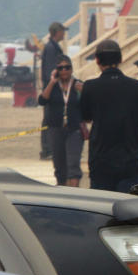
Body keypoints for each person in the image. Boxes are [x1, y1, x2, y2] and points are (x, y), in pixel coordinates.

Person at [79, 40, 138, 193]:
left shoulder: (90, 87)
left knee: (102, 209)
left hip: (100, 160)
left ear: (97, 60)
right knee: (129, 209)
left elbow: (86, 118)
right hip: (129, 161)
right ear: (120, 59)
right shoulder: (136, 87)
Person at [38, 55, 83, 186]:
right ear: (57, 70)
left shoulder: (78, 84)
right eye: (61, 68)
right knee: (59, 166)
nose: (64, 71)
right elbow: (42, 100)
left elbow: (88, 104)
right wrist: (52, 81)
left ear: (71, 69)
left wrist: (83, 91)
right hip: (55, 129)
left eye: (67, 67)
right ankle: (62, 193)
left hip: (74, 129)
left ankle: (75, 193)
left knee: (73, 165)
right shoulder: (53, 86)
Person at [40, 21, 66, 161]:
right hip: (51, 88)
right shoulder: (51, 48)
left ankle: (49, 148)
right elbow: (52, 70)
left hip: (52, 88)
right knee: (48, 118)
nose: (64, 33)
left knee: (50, 117)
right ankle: (47, 149)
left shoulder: (53, 47)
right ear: (57, 32)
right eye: (63, 31)